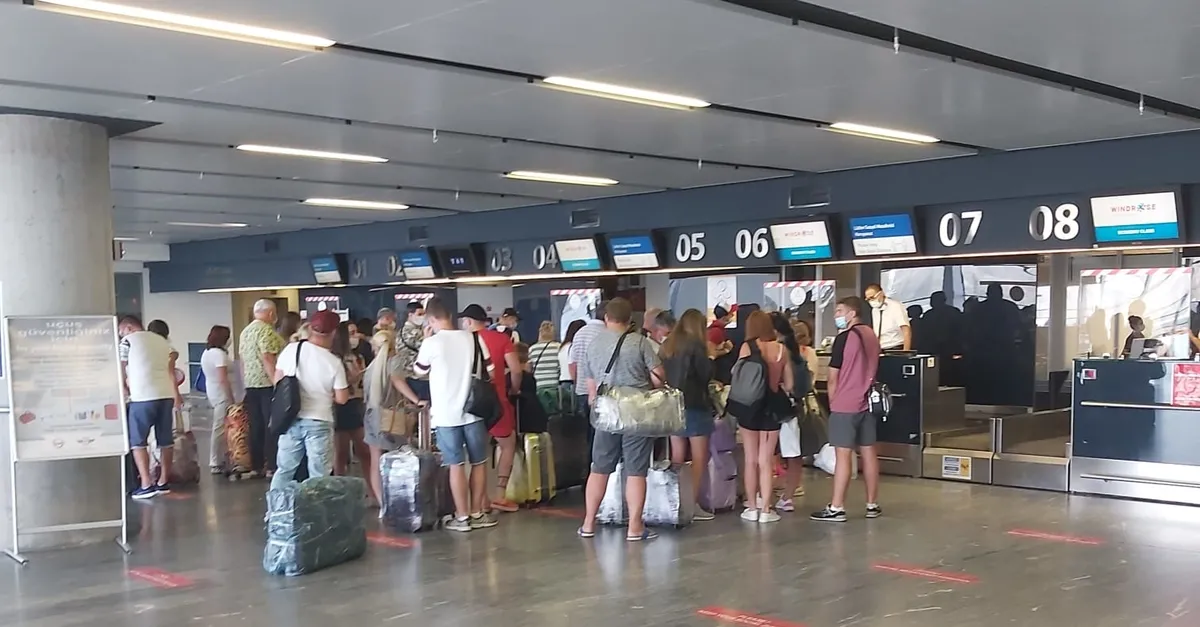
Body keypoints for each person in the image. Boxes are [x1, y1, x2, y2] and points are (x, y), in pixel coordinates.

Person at [577, 298, 666, 542]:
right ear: (630, 320)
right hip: (637, 413)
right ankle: (635, 527)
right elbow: (659, 375)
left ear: (606, 318)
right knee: (636, 471)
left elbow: (590, 385)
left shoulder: (594, 344)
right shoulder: (640, 342)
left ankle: (588, 523)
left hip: (607, 412)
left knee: (599, 468)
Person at [413, 297, 497, 532]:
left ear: (431, 319)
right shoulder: (474, 338)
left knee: (456, 465)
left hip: (446, 415)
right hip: (474, 412)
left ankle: (462, 518)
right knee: (479, 463)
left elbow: (418, 371)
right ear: (450, 315)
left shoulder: (431, 343)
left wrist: (426, 340)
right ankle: (478, 513)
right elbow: (490, 371)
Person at [811, 296, 882, 523]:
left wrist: (834, 404)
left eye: (840, 311)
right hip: (867, 402)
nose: (836, 315)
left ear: (853, 313)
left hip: (845, 404)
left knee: (843, 456)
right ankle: (872, 504)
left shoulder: (844, 338)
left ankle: (837, 506)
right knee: (869, 453)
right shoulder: (871, 335)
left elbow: (833, 377)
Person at [270, 310, 349, 491]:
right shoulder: (333, 362)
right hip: (319, 420)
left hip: (290, 419)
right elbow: (342, 399)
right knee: (319, 475)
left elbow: (277, 381)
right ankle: (316, 508)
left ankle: (276, 506)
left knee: (284, 470)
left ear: (311, 328)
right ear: (334, 332)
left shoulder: (291, 350)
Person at [459, 304, 523, 513]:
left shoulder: (462, 341)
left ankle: (480, 501)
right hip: (496, 402)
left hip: (469, 404)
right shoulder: (502, 339)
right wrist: (514, 389)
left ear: (468, 321)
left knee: (477, 454)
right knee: (507, 444)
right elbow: (515, 370)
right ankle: (500, 495)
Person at [734, 310, 793, 523]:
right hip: (772, 407)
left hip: (749, 407)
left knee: (750, 459)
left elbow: (737, 376)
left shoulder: (747, 347)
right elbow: (790, 384)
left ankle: (751, 507)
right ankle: (767, 510)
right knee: (766, 460)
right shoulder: (782, 350)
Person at [119, 316, 185, 499]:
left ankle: (146, 484)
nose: (121, 335)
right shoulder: (162, 341)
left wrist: (123, 387)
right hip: (165, 395)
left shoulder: (128, 341)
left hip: (142, 396)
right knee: (165, 440)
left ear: (129, 328)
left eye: (121, 331)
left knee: (138, 441)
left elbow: (120, 366)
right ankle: (163, 482)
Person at [661, 308, 716, 521]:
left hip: (672, 405)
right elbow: (705, 375)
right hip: (695, 405)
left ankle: (675, 503)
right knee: (699, 458)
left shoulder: (668, 345)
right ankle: (691, 505)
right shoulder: (697, 346)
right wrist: (712, 356)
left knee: (677, 458)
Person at [363, 328, 422, 507]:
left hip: (372, 416)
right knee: (397, 460)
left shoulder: (371, 368)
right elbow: (397, 380)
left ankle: (383, 504)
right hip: (392, 418)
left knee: (375, 461)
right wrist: (416, 400)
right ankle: (398, 501)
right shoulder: (394, 361)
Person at [239, 299, 285, 480]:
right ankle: (272, 465)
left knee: (255, 426)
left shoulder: (245, 332)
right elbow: (268, 358)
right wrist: (276, 383)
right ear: (271, 313)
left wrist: (245, 382)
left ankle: (256, 465)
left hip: (251, 385)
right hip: (266, 385)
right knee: (270, 425)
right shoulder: (267, 331)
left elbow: (242, 361)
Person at [773, 314, 811, 510]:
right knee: (793, 454)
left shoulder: (777, 352)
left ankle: (762, 496)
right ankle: (788, 496)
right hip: (792, 409)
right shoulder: (796, 353)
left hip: (776, 408)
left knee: (767, 453)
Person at [332, 321, 372, 496]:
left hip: (357, 403)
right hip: (340, 405)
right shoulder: (334, 359)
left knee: (364, 451)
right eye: (351, 333)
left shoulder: (358, 356)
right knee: (340, 453)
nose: (356, 336)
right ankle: (339, 491)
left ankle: (372, 490)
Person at [569, 305, 608, 450]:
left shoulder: (579, 333)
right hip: (600, 390)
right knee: (602, 432)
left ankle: (588, 458)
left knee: (587, 430)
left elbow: (572, 363)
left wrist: (577, 383)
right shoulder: (606, 333)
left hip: (582, 389)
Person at [200, 325, 236, 474]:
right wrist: (231, 397)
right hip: (222, 394)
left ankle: (221, 457)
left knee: (221, 426)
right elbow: (223, 378)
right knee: (219, 427)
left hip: (214, 391)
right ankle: (214, 460)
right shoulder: (219, 355)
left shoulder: (207, 352)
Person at [397, 301, 429, 401]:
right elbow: (427, 349)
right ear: (410, 315)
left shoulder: (402, 331)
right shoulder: (413, 332)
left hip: (409, 375)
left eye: (424, 314)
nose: (423, 317)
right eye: (419, 314)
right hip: (417, 377)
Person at [863, 284, 911, 351]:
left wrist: (906, 352)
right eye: (868, 299)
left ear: (881, 293)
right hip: (881, 348)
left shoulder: (895, 306)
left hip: (895, 347)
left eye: (872, 297)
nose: (871, 301)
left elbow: (906, 330)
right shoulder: (874, 310)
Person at [528, 321, 562, 389]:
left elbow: (529, 369)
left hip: (538, 384)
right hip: (554, 384)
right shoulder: (558, 347)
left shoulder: (532, 348)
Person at [559, 319, 586, 404]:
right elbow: (572, 365)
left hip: (562, 381)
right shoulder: (574, 347)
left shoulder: (562, 347)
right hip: (572, 382)